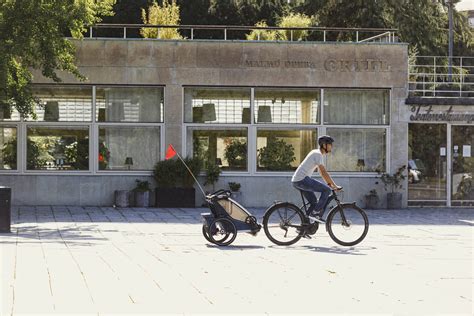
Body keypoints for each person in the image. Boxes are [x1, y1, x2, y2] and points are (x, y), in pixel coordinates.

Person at [291, 135, 342, 223]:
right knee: (326, 190)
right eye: (330, 144)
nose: (331, 146)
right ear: (324, 145)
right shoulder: (318, 154)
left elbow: (321, 173)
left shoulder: (316, 153)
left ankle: (304, 227)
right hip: (302, 180)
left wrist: (330, 184)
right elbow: (323, 172)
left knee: (314, 202)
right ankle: (315, 213)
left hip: (297, 181)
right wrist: (334, 186)